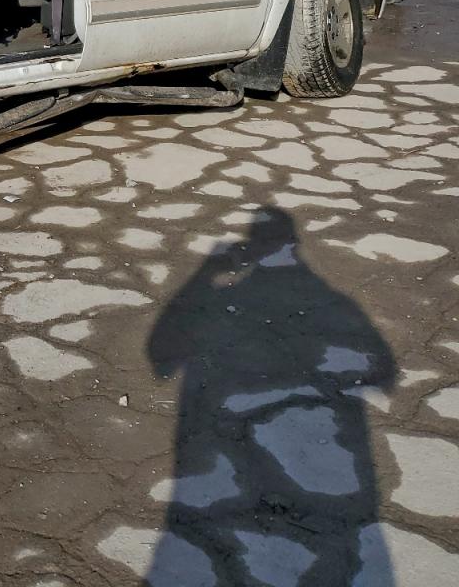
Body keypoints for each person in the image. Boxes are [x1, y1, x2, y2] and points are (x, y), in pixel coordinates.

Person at [147, 208, 396, 586]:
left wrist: (204, 275)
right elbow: (384, 374)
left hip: (252, 463)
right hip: (339, 475)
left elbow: (161, 356)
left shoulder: (227, 297)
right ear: (293, 244)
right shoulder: (337, 302)